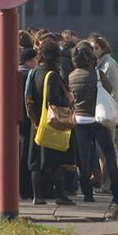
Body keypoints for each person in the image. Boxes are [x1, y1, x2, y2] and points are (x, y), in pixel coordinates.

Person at [69, 41, 118, 209]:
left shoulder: (72, 76)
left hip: (80, 121)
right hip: (98, 120)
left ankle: (88, 194)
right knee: (109, 155)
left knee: (84, 159)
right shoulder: (96, 74)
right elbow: (109, 90)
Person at [25, 39, 75, 205]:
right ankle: (60, 195)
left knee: (37, 162)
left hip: (37, 122)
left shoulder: (35, 72)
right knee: (56, 161)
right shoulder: (52, 75)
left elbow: (29, 98)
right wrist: (67, 100)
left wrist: (33, 119)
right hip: (51, 123)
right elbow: (52, 99)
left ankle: (37, 196)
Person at [90, 34, 118, 191]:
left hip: (107, 114)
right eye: (92, 48)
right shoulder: (98, 64)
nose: (93, 51)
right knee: (101, 150)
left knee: (106, 150)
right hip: (100, 113)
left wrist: (110, 112)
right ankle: (105, 182)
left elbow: (113, 91)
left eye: (96, 48)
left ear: (103, 49)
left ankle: (109, 183)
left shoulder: (108, 65)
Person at [18, 47, 38, 199]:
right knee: (28, 154)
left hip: (16, 119)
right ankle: (27, 189)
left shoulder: (14, 74)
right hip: (29, 119)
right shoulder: (31, 75)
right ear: (30, 60)